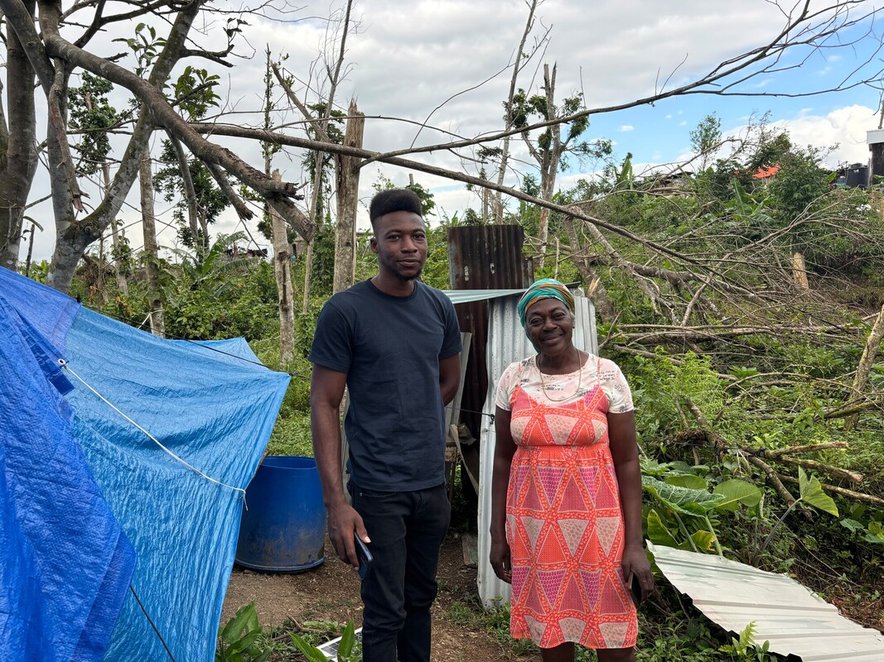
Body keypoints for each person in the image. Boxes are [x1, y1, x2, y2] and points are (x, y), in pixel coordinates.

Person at [309, 188, 462, 662]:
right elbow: (323, 404)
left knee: (420, 601)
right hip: (377, 490)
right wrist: (338, 502)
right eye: (395, 237)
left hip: (431, 486)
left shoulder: (439, 307)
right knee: (384, 610)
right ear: (375, 246)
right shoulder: (346, 311)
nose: (409, 246)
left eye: (417, 236)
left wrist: (409, 415)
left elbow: (449, 381)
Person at [489, 278, 653, 662]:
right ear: (526, 328)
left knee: (614, 640)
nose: (548, 326)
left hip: (601, 532)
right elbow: (501, 458)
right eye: (535, 320)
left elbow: (628, 462)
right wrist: (499, 534)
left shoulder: (607, 375)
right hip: (536, 530)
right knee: (553, 637)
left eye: (556, 315)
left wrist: (634, 542)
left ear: (571, 318)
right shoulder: (514, 378)